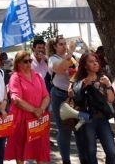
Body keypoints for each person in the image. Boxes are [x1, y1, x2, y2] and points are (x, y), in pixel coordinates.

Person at [5, 51, 50, 164]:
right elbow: (16, 99)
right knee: (20, 151)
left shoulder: (37, 76)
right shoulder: (15, 77)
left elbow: (46, 96)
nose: (29, 63)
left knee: (40, 150)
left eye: (30, 60)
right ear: (18, 63)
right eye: (25, 61)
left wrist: (41, 109)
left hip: (38, 118)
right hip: (22, 119)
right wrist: (34, 110)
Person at [72, 52, 115, 164]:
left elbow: (111, 99)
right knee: (91, 152)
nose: (95, 63)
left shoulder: (103, 78)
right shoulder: (80, 81)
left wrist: (108, 85)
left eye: (96, 61)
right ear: (85, 65)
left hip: (102, 119)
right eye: (91, 62)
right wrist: (83, 87)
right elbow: (75, 98)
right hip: (87, 120)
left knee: (112, 152)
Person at [47, 36, 77, 164]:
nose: (64, 46)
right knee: (64, 130)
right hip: (59, 95)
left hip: (73, 95)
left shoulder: (71, 57)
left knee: (79, 127)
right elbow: (60, 68)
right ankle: (66, 160)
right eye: (61, 44)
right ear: (54, 46)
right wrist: (70, 53)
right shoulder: (52, 59)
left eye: (65, 43)